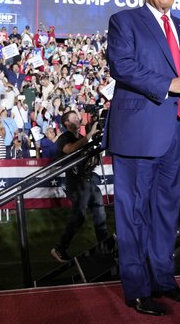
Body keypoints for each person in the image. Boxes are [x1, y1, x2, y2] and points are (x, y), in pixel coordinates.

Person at [103, 0, 180, 316]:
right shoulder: (125, 21)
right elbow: (123, 66)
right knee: (132, 214)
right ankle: (137, 289)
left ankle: (164, 281)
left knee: (166, 212)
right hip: (138, 134)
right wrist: (171, 84)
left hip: (178, 135)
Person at [50, 110, 106, 263]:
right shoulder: (64, 137)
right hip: (75, 182)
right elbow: (70, 149)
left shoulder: (82, 137)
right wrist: (89, 136)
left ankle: (105, 247)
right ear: (66, 122)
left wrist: (94, 150)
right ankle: (59, 248)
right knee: (79, 216)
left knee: (99, 213)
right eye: (75, 117)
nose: (79, 119)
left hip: (88, 180)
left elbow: (90, 157)